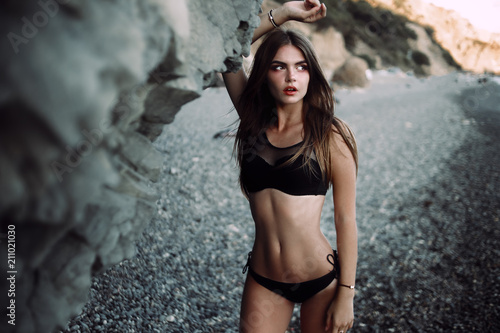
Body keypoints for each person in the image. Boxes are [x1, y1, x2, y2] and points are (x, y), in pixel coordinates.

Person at [222, 1, 358, 332]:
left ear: (312, 73)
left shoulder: (331, 134)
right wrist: (282, 15)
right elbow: (226, 53)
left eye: (301, 67)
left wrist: (346, 294)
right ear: (264, 72)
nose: (291, 77)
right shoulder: (253, 122)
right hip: (264, 279)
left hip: (321, 281)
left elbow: (345, 218)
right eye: (279, 67)